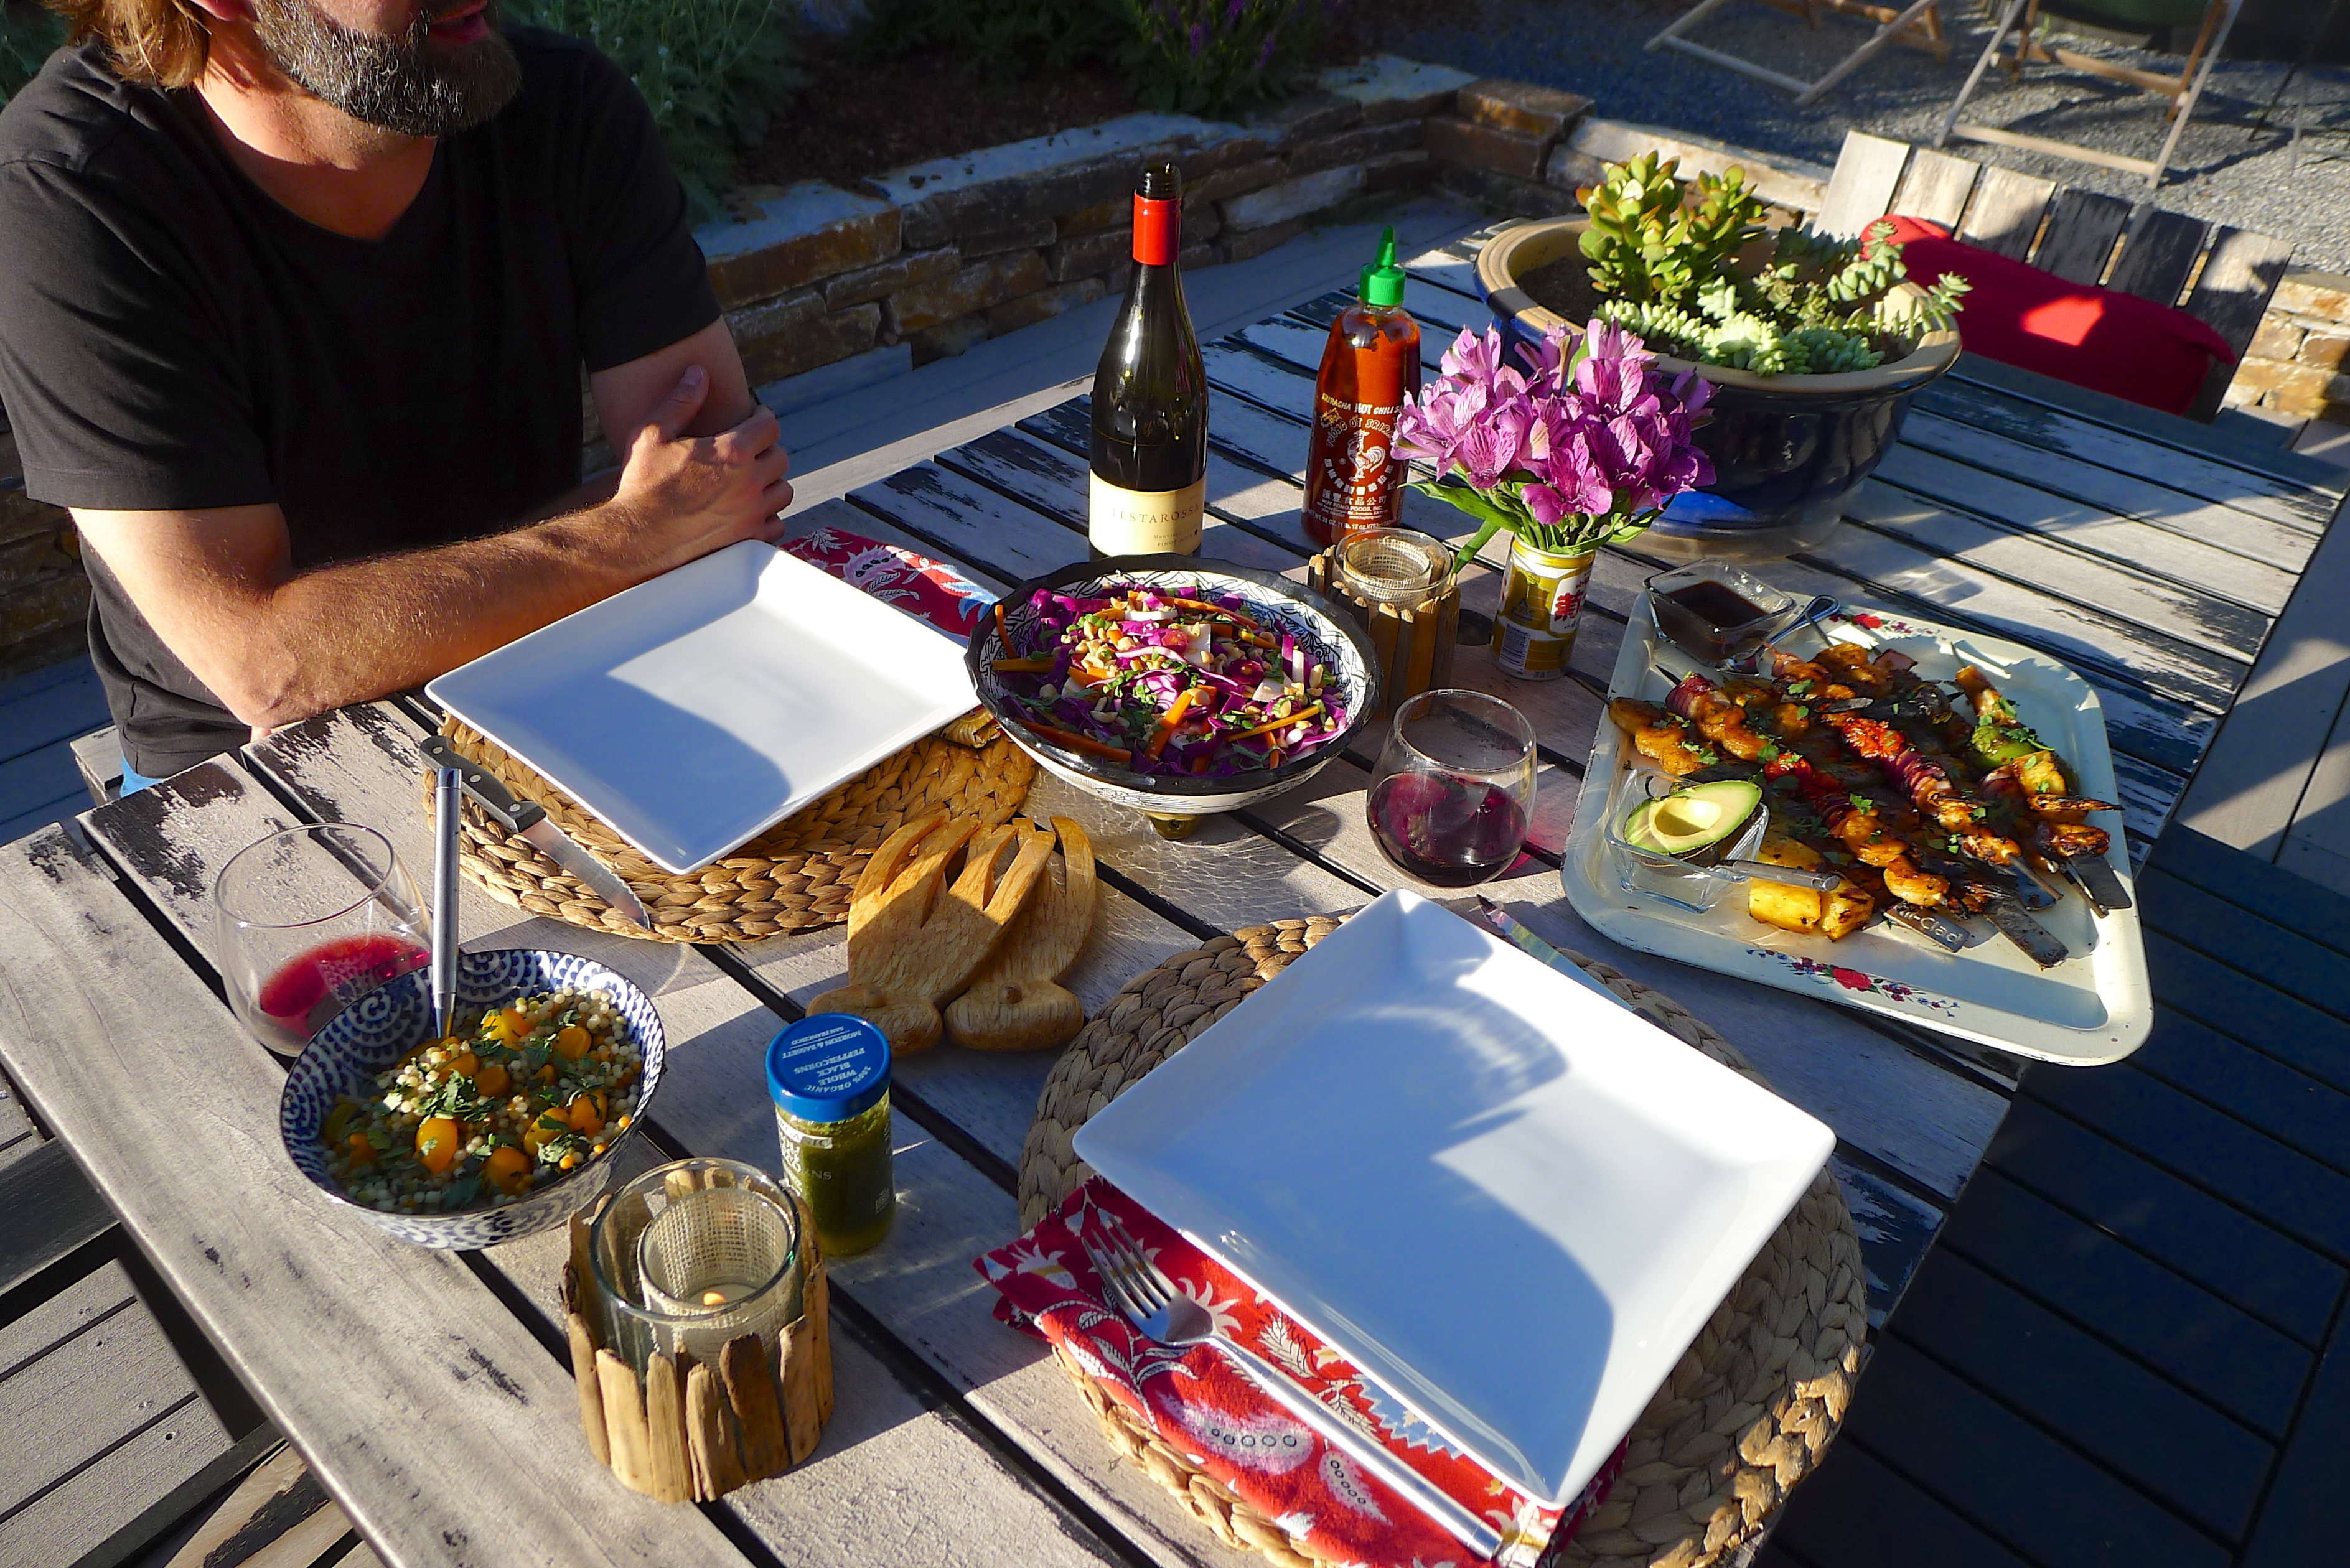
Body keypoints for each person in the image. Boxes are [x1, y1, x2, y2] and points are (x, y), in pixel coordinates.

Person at [0, 0, 792, 790]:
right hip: (250, 774)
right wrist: (630, 535)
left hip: (546, 661)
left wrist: (349, 636)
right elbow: (265, 665)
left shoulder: (564, 103)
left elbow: (722, 483)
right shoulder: (70, 191)